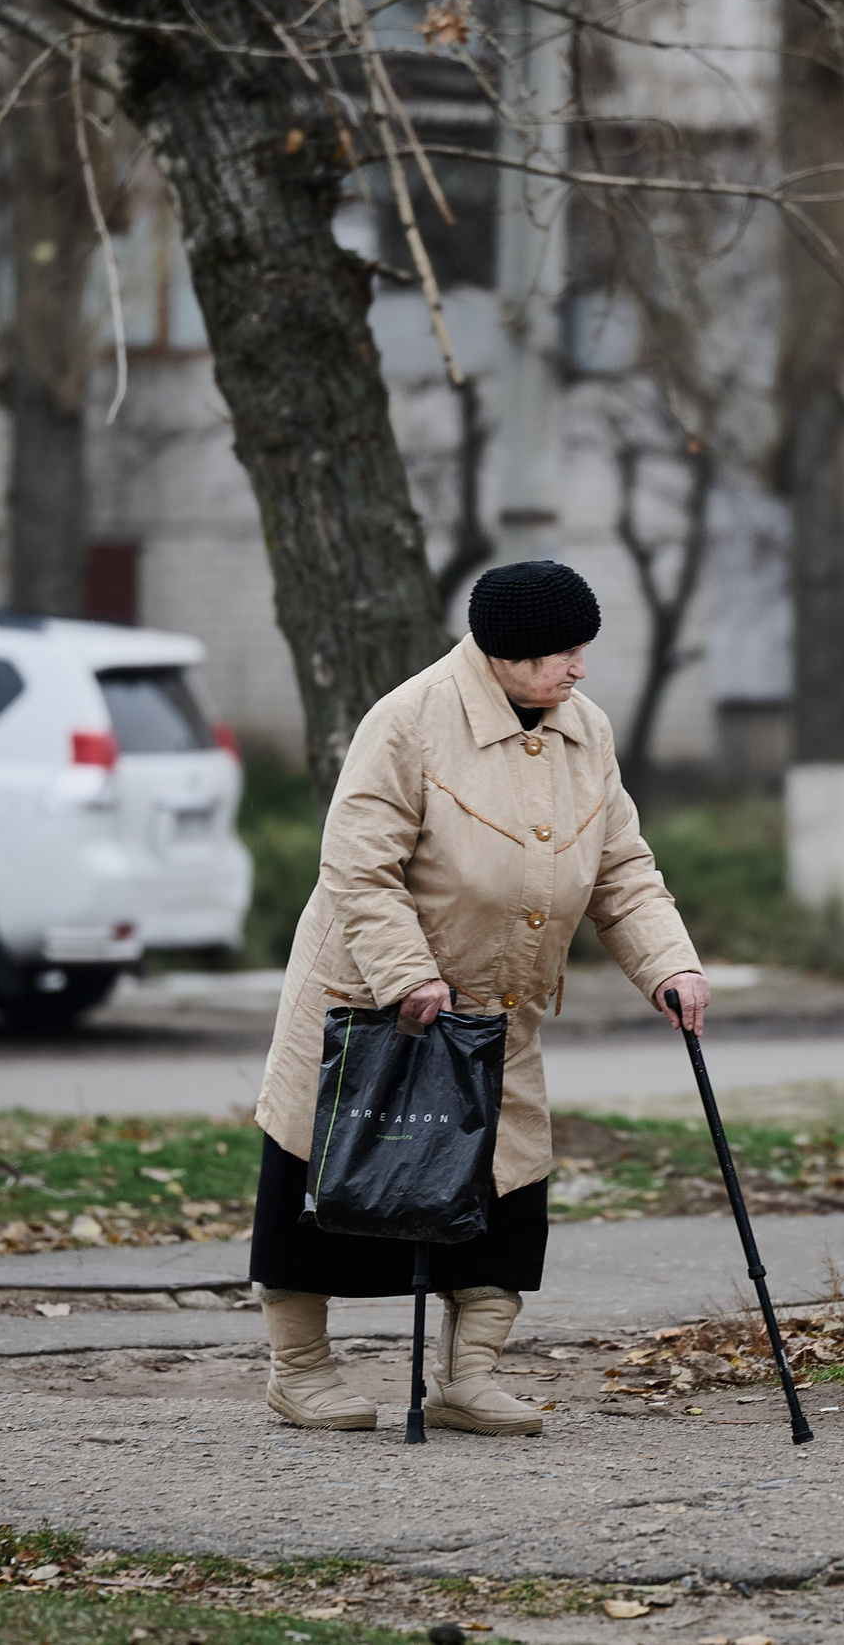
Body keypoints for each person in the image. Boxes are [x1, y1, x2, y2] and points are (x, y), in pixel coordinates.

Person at [249, 560, 708, 1435]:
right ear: (506, 652)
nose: (578, 669)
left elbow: (622, 868)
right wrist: (407, 972)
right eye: (562, 653)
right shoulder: (410, 720)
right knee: (328, 1178)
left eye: (582, 650)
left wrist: (668, 964)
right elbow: (358, 865)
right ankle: (298, 1372)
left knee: (504, 1187)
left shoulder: (586, 732)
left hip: (499, 1007)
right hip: (371, 1000)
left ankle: (470, 1378)